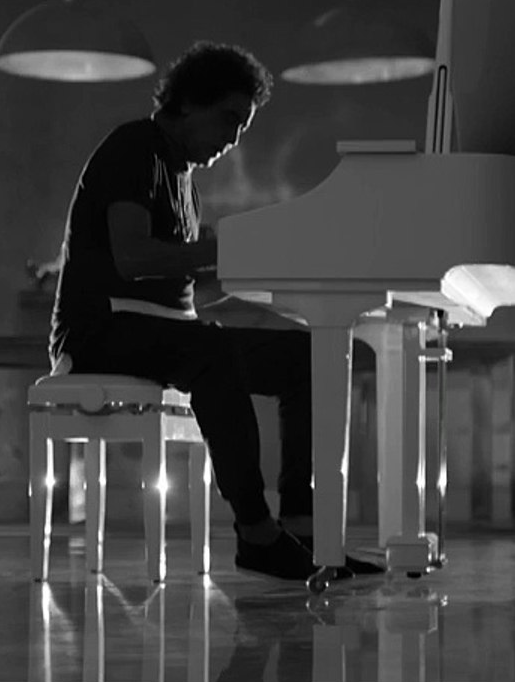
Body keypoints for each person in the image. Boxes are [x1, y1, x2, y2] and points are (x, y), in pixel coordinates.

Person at [48, 40, 380, 581]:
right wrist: (225, 249)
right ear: (188, 101)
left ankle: (304, 526)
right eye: (229, 119)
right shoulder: (134, 147)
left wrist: (263, 274)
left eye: (243, 128)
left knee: (309, 357)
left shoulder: (185, 182)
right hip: (99, 330)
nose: (233, 139)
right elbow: (132, 259)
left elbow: (182, 288)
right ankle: (256, 531)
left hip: (162, 332)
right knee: (212, 349)